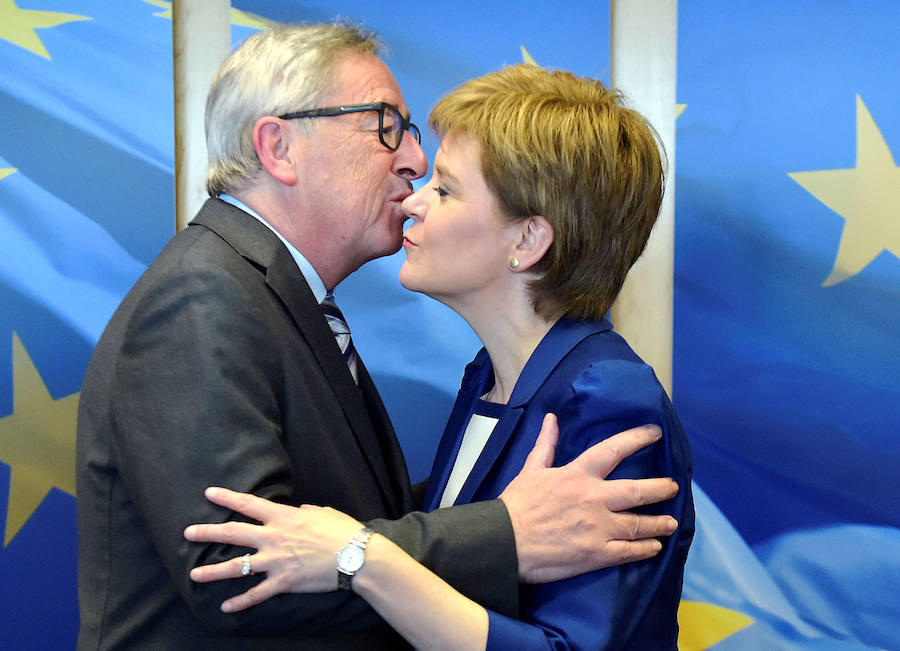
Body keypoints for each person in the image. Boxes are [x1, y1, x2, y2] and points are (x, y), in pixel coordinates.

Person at [76, 24, 680, 650]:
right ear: (279, 147)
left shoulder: (570, 387)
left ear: (528, 239)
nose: (414, 167)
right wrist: (498, 536)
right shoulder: (204, 299)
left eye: (445, 186)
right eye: (384, 124)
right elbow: (236, 572)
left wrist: (363, 551)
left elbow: (364, 520)